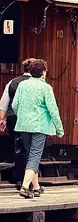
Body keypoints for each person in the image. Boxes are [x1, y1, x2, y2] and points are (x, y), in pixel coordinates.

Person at [11, 59, 64, 199]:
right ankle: (24, 186)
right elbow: (53, 110)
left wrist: (22, 116)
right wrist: (59, 129)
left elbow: (15, 105)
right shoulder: (45, 87)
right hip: (39, 126)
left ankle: (36, 188)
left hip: (24, 125)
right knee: (35, 156)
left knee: (31, 156)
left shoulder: (22, 85)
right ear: (43, 73)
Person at [0, 58, 35, 190]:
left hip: (13, 117)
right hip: (32, 119)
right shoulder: (39, 83)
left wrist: (2, 119)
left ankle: (20, 178)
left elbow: (4, 102)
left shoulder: (12, 82)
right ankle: (30, 181)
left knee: (19, 146)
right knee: (32, 149)